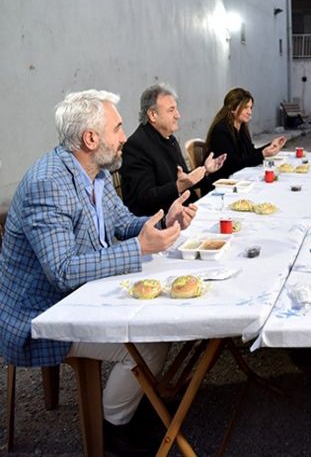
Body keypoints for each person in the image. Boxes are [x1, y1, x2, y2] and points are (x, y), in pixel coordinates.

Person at [0, 90, 196, 454]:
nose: (125, 137)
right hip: (43, 313)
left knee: (159, 317)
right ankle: (109, 427)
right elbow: (62, 271)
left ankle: (134, 407)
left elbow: (124, 223)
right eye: (118, 128)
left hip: (82, 293)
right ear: (91, 139)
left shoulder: (95, 172)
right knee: (148, 338)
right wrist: (140, 248)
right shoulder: (49, 183)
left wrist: (161, 221)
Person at [120, 83, 226, 216]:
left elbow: (184, 179)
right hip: (159, 224)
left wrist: (205, 170)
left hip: (183, 214)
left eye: (176, 109)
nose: (178, 115)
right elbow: (144, 198)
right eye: (171, 110)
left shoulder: (169, 139)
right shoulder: (136, 146)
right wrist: (179, 186)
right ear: (153, 115)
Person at [205, 87, 286, 184]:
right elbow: (233, 164)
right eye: (245, 107)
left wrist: (271, 146)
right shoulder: (221, 130)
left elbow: (250, 153)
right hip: (222, 183)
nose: (250, 112)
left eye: (251, 107)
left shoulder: (241, 128)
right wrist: (263, 154)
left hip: (238, 179)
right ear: (232, 108)